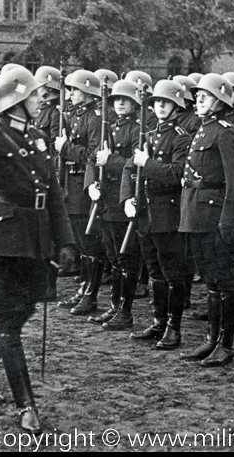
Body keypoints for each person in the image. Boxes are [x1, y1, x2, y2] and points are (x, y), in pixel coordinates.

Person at [0, 66, 76, 434]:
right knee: (11, 321)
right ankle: (27, 406)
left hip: (35, 236)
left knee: (21, 312)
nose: (42, 99)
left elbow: (54, 194)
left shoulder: (40, 138)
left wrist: (67, 240)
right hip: (1, 237)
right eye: (35, 95)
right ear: (16, 99)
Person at [178, 73, 234, 368]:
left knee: (226, 282)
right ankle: (211, 339)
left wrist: (228, 222)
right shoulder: (203, 130)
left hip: (216, 217)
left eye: (204, 97)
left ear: (220, 101)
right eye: (197, 97)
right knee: (211, 281)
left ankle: (225, 345)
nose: (198, 101)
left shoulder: (225, 132)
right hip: (197, 214)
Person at [123, 79, 193, 348]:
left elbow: (177, 174)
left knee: (172, 273)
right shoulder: (149, 136)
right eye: (156, 103)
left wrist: (147, 163)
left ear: (175, 106)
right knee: (154, 272)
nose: (160, 106)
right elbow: (130, 170)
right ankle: (158, 322)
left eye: (165, 102)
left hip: (168, 214)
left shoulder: (181, 137)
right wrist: (128, 197)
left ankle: (174, 328)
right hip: (146, 214)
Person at [88, 80, 142, 331]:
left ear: (134, 103)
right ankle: (114, 306)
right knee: (112, 255)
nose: (120, 103)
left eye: (125, 99)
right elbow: (92, 158)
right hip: (106, 199)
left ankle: (125, 310)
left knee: (126, 257)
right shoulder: (106, 128)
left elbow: (136, 165)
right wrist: (91, 184)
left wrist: (110, 161)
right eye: (116, 99)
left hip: (124, 198)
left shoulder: (137, 130)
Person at [54, 70, 106, 314]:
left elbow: (93, 156)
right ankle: (84, 288)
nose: (70, 94)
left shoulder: (94, 118)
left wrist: (66, 148)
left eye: (74, 90)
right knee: (81, 244)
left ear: (86, 92)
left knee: (89, 243)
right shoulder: (75, 116)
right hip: (70, 184)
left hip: (85, 186)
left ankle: (90, 295)